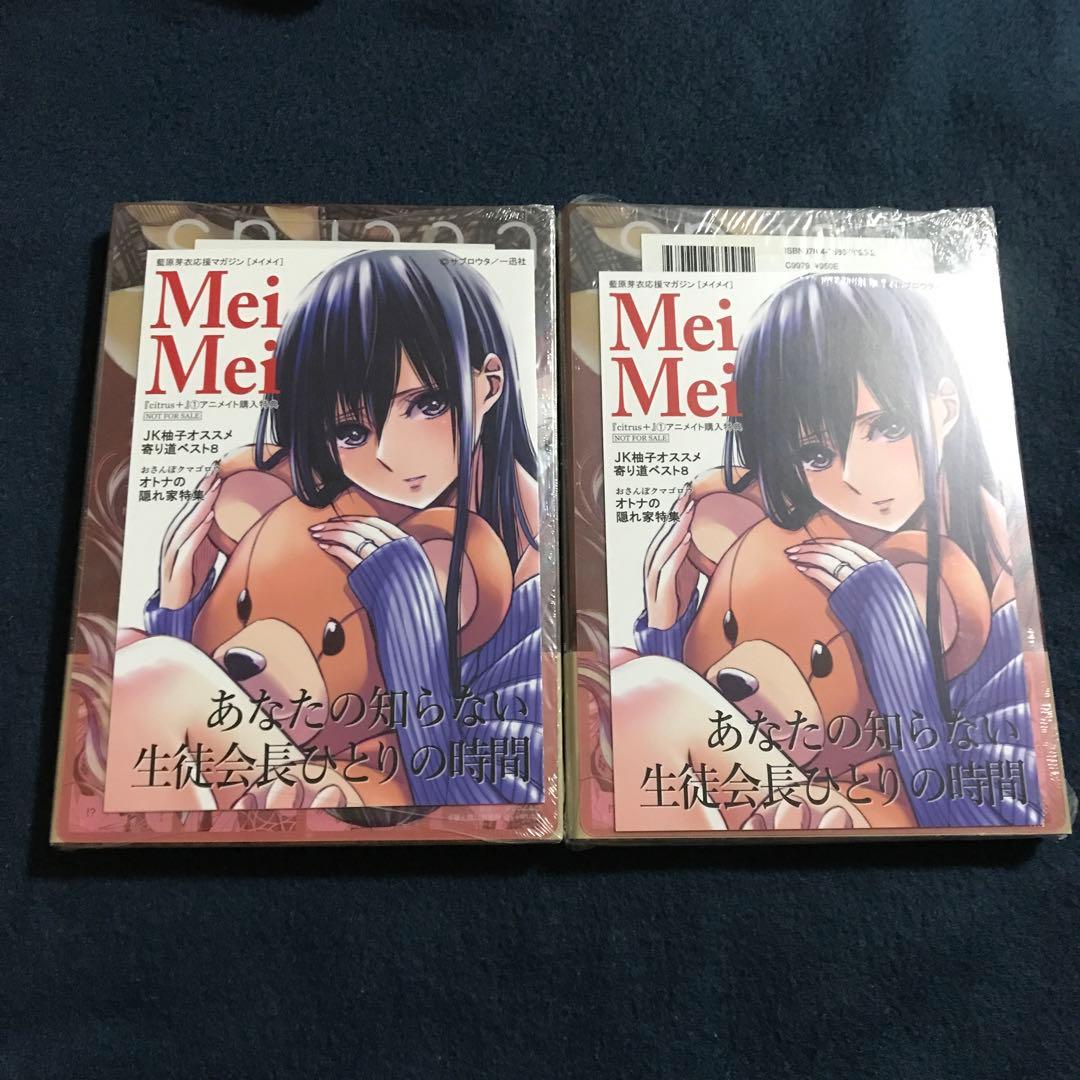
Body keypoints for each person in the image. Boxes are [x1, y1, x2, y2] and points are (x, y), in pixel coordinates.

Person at [636, 273, 1041, 828]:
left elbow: (990, 819)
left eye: (888, 426)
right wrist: (667, 629)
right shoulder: (787, 522)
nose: (855, 478)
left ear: (944, 407)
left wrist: (893, 636)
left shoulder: (1005, 592)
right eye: (815, 454)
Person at [143, 250, 544, 806]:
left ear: (489, 383)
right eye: (350, 431)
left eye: (427, 404)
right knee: (154, 673)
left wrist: (409, 613)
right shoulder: (318, 499)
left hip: (382, 814)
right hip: (296, 789)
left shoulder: (534, 576)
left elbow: (492, 806)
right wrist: (178, 614)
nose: (389, 456)